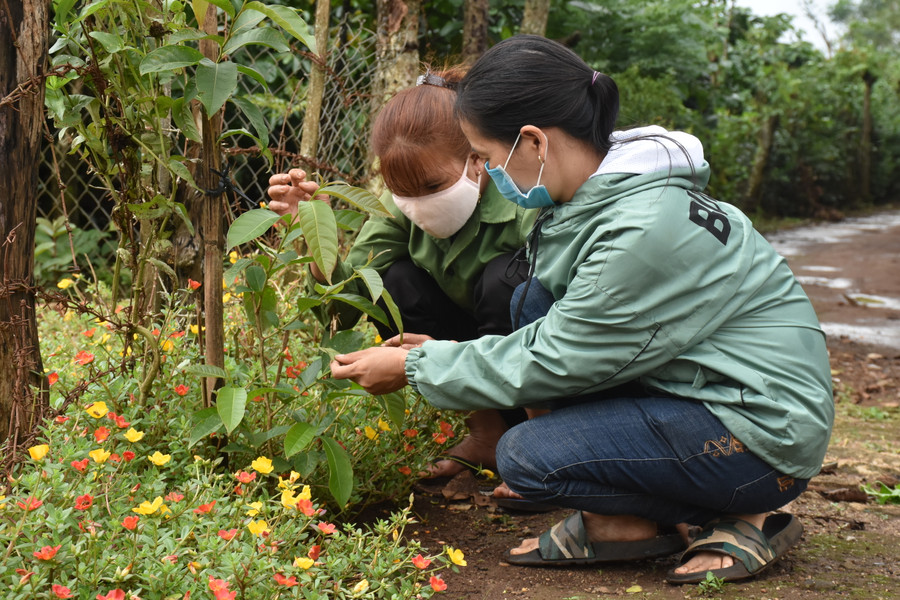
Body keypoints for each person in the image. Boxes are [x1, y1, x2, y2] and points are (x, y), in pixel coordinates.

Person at [328, 35, 834, 584]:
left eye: (488, 158)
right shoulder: (609, 194)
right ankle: (628, 521)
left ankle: (740, 513)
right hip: (709, 389)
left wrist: (416, 367)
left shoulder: (638, 229)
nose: (489, 174)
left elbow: (559, 357)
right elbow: (564, 329)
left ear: (533, 143)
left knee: (528, 457)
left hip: (760, 432)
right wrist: (447, 354)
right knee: (530, 296)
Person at [267, 67, 539, 486]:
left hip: (535, 356)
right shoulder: (398, 210)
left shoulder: (523, 197)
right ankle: (486, 432)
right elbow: (344, 304)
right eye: (402, 192)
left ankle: (540, 442)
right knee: (393, 284)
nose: (418, 204)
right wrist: (315, 230)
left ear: (477, 159)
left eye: (433, 184)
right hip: (461, 349)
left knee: (507, 281)